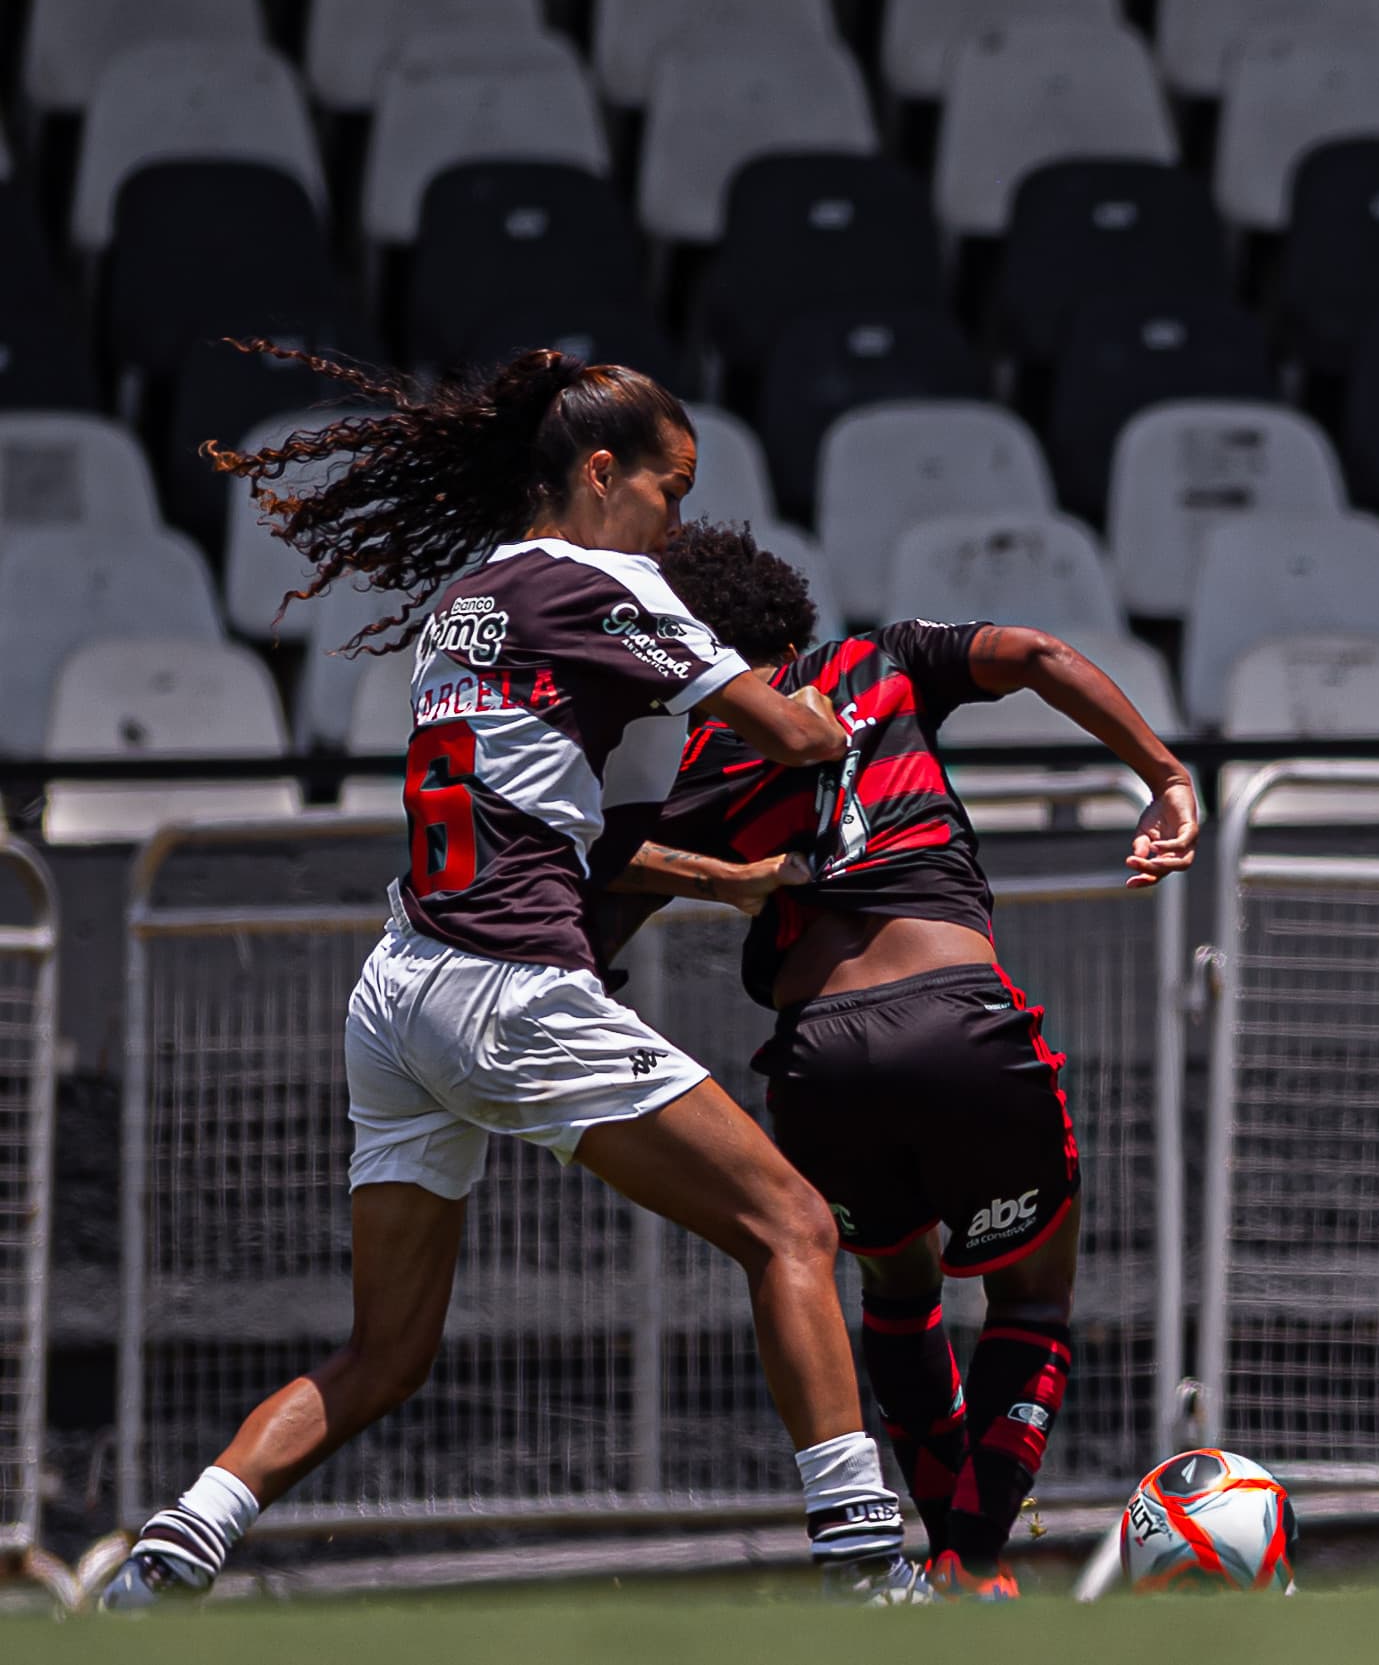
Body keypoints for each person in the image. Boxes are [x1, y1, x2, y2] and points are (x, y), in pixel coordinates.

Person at [102, 347, 926, 1608]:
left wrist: (720, 878)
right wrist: (850, 693)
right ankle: (867, 1565)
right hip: (509, 988)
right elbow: (801, 733)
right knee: (793, 1226)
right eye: (669, 490)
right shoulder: (610, 585)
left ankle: (170, 1551)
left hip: (398, 991)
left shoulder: (467, 599)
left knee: (386, 1352)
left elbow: (551, 820)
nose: (676, 523)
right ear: (600, 473)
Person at [597, 522, 1198, 1601]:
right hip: (959, 1021)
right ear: (793, 626)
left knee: (897, 1287)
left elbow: (609, 888)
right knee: (1031, 1301)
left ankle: (937, 1564)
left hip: (819, 1060)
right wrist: (1163, 774)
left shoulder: (705, 761)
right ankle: (971, 1561)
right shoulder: (883, 659)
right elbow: (1038, 654)